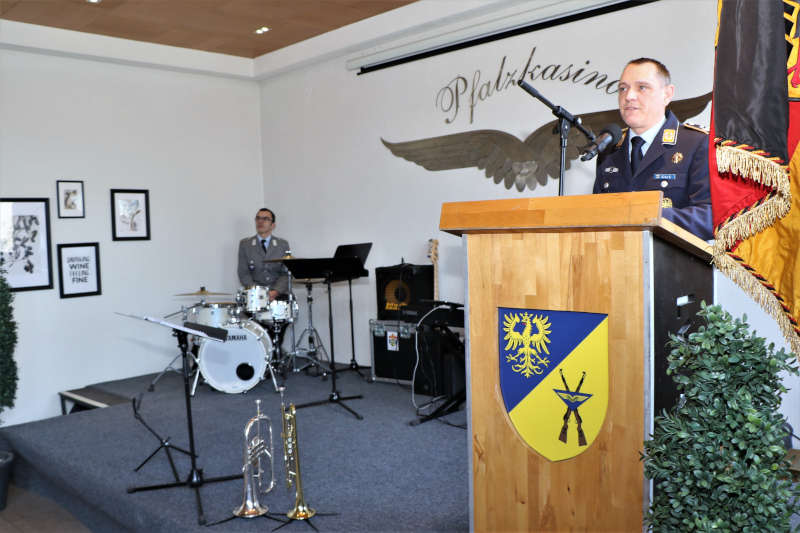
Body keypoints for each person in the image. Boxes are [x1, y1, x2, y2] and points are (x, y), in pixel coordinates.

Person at [593, 58, 713, 240]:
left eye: (642, 87)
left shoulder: (696, 143)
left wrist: (648, 217)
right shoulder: (610, 148)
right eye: (622, 88)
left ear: (667, 94)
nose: (629, 96)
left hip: (674, 263)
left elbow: (710, 216)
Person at [237, 208, 290, 300]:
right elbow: (243, 273)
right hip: (255, 295)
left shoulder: (282, 244)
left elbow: (286, 273)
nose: (260, 221)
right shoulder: (245, 244)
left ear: (273, 225)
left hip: (279, 294)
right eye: (258, 218)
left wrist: (275, 291)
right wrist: (259, 292)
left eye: (265, 219)